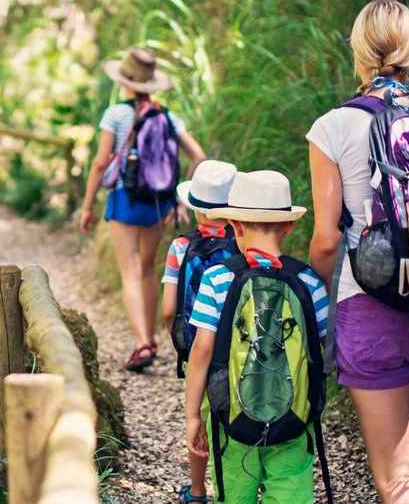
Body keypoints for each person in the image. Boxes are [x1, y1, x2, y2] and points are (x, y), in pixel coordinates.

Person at [305, 0, 409, 504]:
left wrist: (322, 297)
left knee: (395, 481)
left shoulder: (333, 127)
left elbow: (328, 239)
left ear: (359, 52)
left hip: (372, 306)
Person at [183, 170, 330, 504]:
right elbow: (326, 351)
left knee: (234, 493)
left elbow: (202, 352)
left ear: (235, 226)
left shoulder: (216, 279)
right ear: (288, 226)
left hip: (232, 417)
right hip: (294, 417)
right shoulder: (307, 281)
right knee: (291, 491)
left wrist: (193, 415)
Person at [80, 46, 207, 372]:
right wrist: (180, 200)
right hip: (158, 201)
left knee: (130, 272)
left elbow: (100, 162)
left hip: (124, 199)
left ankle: (143, 343)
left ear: (125, 80)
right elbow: (200, 157)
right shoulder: (167, 116)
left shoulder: (117, 115)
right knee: (148, 269)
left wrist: (87, 206)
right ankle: (149, 336)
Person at [161, 160, 239, 503]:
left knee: (202, 417)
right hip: (240, 348)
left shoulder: (181, 246)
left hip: (199, 350)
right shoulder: (246, 242)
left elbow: (167, 309)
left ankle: (196, 490)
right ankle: (243, 484)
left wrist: (180, 342)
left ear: (196, 211)